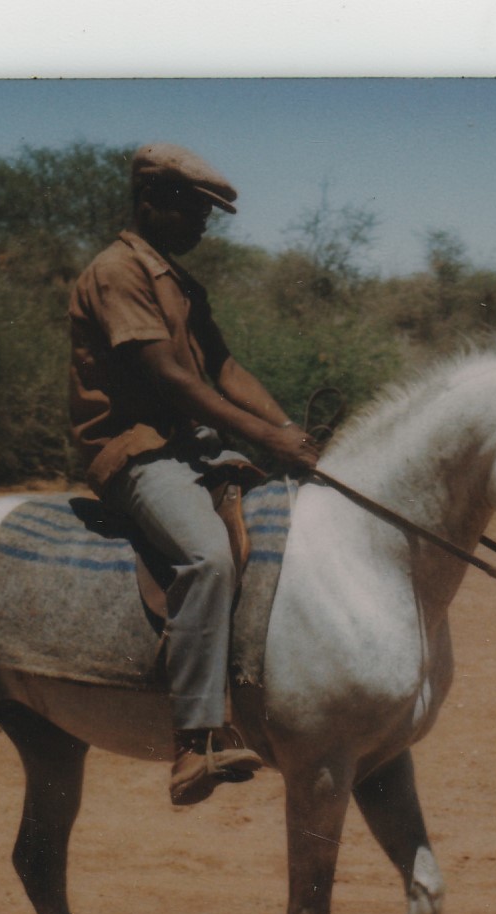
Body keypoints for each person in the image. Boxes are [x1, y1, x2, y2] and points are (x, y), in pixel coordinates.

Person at [68, 143, 320, 806]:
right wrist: (266, 437)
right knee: (208, 556)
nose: (204, 225)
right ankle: (193, 741)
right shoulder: (116, 272)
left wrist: (291, 432)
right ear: (151, 200)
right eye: (194, 210)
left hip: (191, 448)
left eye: (208, 214)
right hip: (137, 453)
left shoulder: (178, 281)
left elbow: (227, 370)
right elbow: (172, 380)